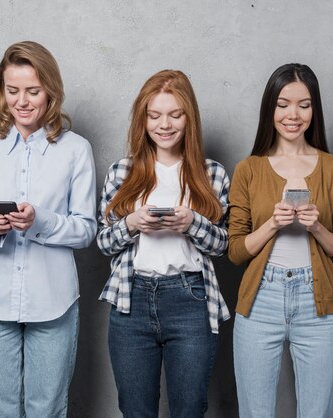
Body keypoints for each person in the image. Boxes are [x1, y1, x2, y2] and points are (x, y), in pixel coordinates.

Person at [0, 41, 97, 417]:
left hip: (54, 303)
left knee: (46, 409)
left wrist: (40, 221)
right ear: (1, 90)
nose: (22, 101)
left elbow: (86, 230)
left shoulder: (76, 150)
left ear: (51, 90)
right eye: (12, 90)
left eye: (33, 91)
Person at [97, 69, 230, 418]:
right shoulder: (122, 172)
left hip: (190, 300)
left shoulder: (211, 173)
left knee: (190, 409)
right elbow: (103, 242)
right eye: (154, 115)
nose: (165, 124)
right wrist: (131, 223)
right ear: (143, 120)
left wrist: (191, 223)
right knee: (136, 411)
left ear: (189, 118)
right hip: (131, 301)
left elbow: (223, 245)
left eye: (175, 114)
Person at [228, 63, 333, 418]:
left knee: (318, 412)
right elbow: (235, 251)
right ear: (270, 108)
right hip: (261, 300)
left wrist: (317, 228)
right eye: (283, 104)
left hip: (319, 303)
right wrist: (271, 225)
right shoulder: (249, 168)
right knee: (255, 412)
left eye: (304, 104)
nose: (292, 115)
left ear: (315, 110)